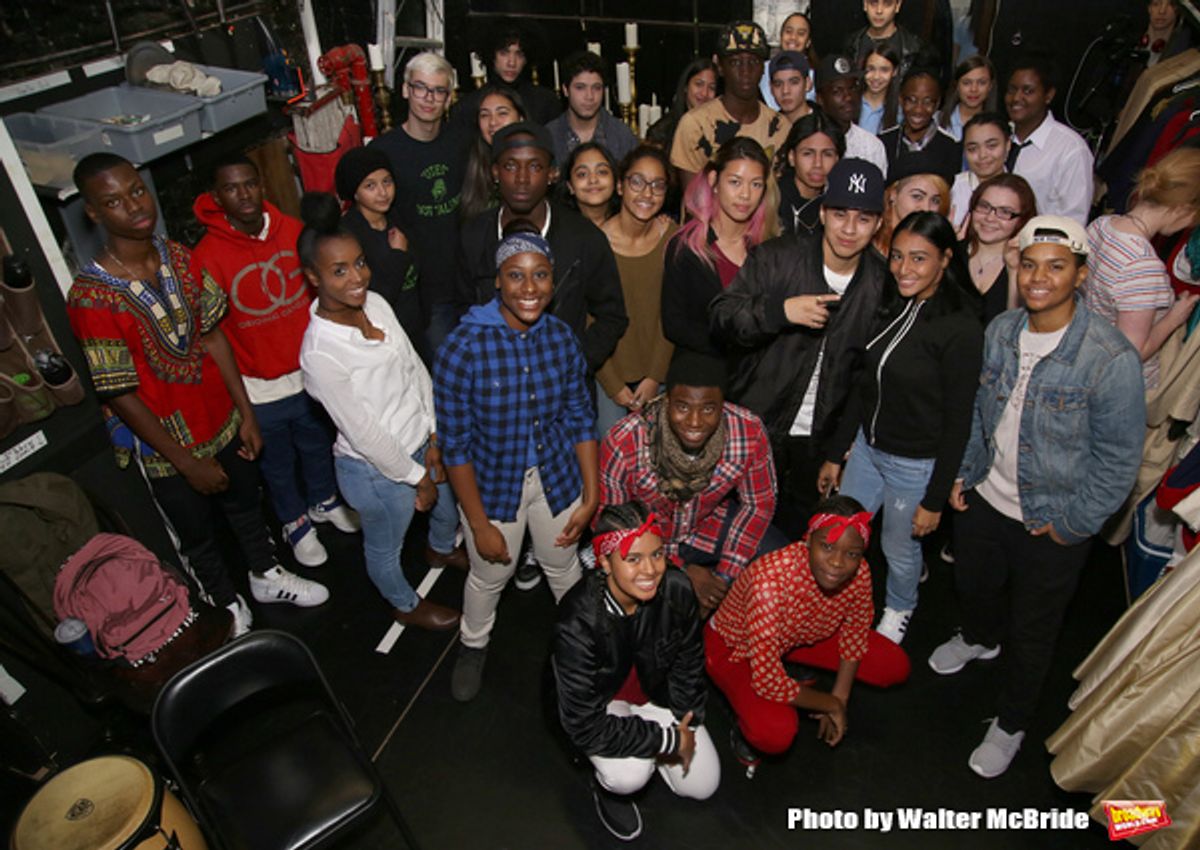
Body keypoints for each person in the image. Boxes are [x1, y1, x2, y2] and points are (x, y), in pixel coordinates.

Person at [66, 153, 328, 637]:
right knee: (198, 535)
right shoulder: (91, 297)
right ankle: (224, 605)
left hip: (223, 418)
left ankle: (266, 575)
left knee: (247, 506)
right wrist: (185, 462)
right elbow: (120, 393)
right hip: (169, 445)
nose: (134, 206)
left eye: (137, 191)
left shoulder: (179, 258)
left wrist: (245, 412)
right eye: (114, 201)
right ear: (94, 213)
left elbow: (213, 336)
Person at [929, 215, 1144, 778]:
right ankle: (978, 638)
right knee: (973, 586)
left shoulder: (1109, 357)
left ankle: (1011, 722)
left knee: (1034, 629)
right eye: (1030, 264)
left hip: (1050, 521)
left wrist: (1075, 524)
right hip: (984, 500)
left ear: (1080, 274)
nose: (1039, 277)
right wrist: (963, 473)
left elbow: (1119, 461)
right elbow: (981, 411)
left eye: (1056, 266)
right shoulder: (1001, 329)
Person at [436, 227, 599, 702]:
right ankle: (473, 644)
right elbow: (457, 446)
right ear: (497, 282)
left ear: (553, 281)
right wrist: (479, 522)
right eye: (516, 276)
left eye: (540, 275)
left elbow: (580, 418)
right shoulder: (462, 348)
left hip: (557, 479)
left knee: (563, 565)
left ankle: (583, 643)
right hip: (493, 488)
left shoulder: (563, 338)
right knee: (490, 575)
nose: (530, 289)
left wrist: (591, 497)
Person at [298, 194, 464, 631]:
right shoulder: (320, 352)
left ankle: (441, 548)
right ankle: (404, 604)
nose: (357, 277)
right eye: (339, 271)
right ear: (312, 277)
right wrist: (417, 478)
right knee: (385, 549)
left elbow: (414, 367)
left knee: (447, 511)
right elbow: (365, 433)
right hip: (375, 470)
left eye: (359, 263)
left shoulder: (374, 303)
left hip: (420, 443)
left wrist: (432, 437)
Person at [820, 212, 984, 645]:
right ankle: (838, 603)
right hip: (868, 450)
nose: (903, 269)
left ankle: (899, 608)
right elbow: (864, 385)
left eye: (918, 259)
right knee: (843, 531)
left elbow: (959, 421)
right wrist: (837, 453)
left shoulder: (961, 328)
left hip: (915, 464)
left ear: (946, 259)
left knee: (898, 548)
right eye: (896, 257)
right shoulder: (892, 305)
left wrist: (934, 500)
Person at [192, 154, 358, 570]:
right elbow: (211, 334)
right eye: (231, 188)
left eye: (249, 184)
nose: (243, 194)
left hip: (308, 374)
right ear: (216, 196)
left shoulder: (294, 231)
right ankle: (295, 522)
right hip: (259, 387)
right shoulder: (207, 255)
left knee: (319, 445)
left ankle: (323, 499)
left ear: (261, 184)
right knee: (277, 464)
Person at [710, 159, 887, 535]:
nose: (850, 229)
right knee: (739, 534)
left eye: (864, 218)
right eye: (840, 214)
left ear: (879, 224)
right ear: (822, 212)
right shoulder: (778, 257)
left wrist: (837, 452)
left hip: (818, 441)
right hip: (756, 426)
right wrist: (780, 311)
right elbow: (722, 317)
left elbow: (865, 379)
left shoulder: (880, 284)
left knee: (799, 540)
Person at [552, 502, 718, 842]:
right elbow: (584, 724)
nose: (650, 570)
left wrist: (687, 719)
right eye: (632, 559)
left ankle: (650, 750)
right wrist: (669, 740)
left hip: (654, 694)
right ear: (604, 562)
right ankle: (608, 788)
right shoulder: (576, 622)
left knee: (703, 785)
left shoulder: (677, 589)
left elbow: (689, 661)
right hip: (605, 706)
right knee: (629, 776)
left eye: (657, 555)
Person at [706, 497, 911, 769]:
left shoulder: (859, 571)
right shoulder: (769, 581)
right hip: (735, 647)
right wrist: (830, 705)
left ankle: (791, 667)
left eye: (852, 553)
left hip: (798, 637)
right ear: (808, 540)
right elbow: (768, 680)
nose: (838, 562)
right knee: (774, 732)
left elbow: (855, 631)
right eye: (827, 547)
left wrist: (841, 697)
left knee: (893, 665)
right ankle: (740, 717)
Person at [599, 352, 778, 618]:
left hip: (707, 526)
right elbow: (613, 525)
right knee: (642, 605)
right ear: (666, 401)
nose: (695, 422)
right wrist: (679, 570)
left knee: (778, 561)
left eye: (708, 409)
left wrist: (723, 578)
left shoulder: (748, 431)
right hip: (648, 538)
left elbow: (758, 505)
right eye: (682, 407)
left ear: (723, 405)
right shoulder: (625, 439)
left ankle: (733, 632)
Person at [457, 122, 628, 375]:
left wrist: (574, 364)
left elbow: (612, 316)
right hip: (495, 385)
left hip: (562, 393)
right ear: (495, 172)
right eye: (510, 166)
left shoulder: (584, 238)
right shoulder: (474, 235)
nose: (522, 178)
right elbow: (461, 308)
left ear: (552, 174)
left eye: (535, 166)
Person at [371, 52, 470, 354]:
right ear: (405, 90)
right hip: (423, 291)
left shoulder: (462, 141)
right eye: (420, 88)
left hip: (466, 280)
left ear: (449, 97)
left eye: (439, 90)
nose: (429, 98)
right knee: (443, 372)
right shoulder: (384, 151)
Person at [1083, 148, 1200, 391]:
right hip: (1120, 391)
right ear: (1182, 209)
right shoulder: (1142, 267)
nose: (1190, 225)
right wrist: (1173, 318)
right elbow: (1131, 354)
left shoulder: (1099, 226)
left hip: (1085, 361)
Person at [661, 137, 774, 360]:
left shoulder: (768, 249)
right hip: (704, 379)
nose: (745, 194)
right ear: (714, 180)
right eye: (735, 182)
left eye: (756, 184)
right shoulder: (686, 247)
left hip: (757, 382)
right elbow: (674, 324)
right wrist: (733, 346)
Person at [595, 146, 678, 437]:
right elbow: (588, 322)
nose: (647, 193)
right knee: (613, 448)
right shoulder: (595, 244)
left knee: (658, 455)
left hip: (659, 368)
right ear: (620, 185)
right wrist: (613, 383)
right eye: (637, 182)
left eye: (658, 185)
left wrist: (655, 376)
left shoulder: (672, 238)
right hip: (607, 373)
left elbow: (673, 312)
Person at [334, 147, 427, 364]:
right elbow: (376, 298)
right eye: (370, 186)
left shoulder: (398, 218)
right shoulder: (349, 236)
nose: (383, 192)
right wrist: (397, 255)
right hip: (385, 338)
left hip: (416, 327)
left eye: (387, 182)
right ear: (354, 192)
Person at [671, 21, 791, 186]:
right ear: (720, 67)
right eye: (735, 62)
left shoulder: (781, 128)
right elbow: (694, 202)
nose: (745, 71)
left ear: (763, 68)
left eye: (753, 62)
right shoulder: (695, 125)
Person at [1003, 53, 1094, 225]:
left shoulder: (1070, 149)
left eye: (1027, 91)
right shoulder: (999, 135)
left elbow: (1073, 222)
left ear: (1048, 95)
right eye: (1012, 89)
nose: (1016, 98)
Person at [451, 21, 561, 129]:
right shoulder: (468, 106)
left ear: (526, 59)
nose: (511, 63)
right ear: (492, 56)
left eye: (519, 54)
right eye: (504, 53)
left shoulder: (546, 102)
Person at [962, 174, 1038, 323]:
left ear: (1021, 220)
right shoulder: (951, 253)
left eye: (1005, 212)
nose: (990, 218)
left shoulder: (1029, 267)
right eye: (984, 206)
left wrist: (1014, 271)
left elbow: (1016, 329)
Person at [546, 51, 638, 169]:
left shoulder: (623, 136)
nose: (589, 96)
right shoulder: (549, 136)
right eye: (580, 88)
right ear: (565, 90)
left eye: (596, 88)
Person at [879, 66, 962, 184]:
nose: (918, 110)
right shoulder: (884, 142)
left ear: (937, 103)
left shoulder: (950, 147)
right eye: (911, 100)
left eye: (927, 102)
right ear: (901, 100)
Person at [460, 83, 527, 222]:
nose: (493, 122)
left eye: (502, 113)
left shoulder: (537, 163)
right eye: (484, 115)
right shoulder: (470, 165)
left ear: (521, 118)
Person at [814, 54, 889, 178]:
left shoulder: (871, 146)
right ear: (820, 99)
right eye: (837, 91)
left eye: (853, 88)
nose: (848, 97)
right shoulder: (808, 141)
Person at [775, 112, 846, 236]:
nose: (818, 164)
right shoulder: (773, 199)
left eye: (827, 154)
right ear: (792, 157)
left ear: (837, 160)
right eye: (808, 153)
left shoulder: (838, 205)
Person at [948, 112, 1011, 227]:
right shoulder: (952, 188)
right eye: (972, 149)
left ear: (1008, 145)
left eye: (991, 146)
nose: (982, 155)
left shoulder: (1020, 191)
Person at [645, 59, 718, 155]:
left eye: (711, 88)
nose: (704, 93)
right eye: (699, 84)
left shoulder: (719, 128)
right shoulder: (662, 131)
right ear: (686, 87)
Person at [844, 0, 929, 80]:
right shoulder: (851, 45)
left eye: (887, 3)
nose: (879, 11)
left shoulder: (914, 49)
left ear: (897, 6)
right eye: (873, 3)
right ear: (865, 4)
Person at [873, 171, 950, 256]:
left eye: (935, 200)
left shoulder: (939, 247)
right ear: (893, 194)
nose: (926, 208)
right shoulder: (867, 243)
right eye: (917, 196)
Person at [758, 12, 819, 110]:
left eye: (801, 33)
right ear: (781, 35)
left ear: (808, 42)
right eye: (788, 31)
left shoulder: (816, 77)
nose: (793, 37)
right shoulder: (761, 70)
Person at [559, 141, 619, 228]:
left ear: (615, 181)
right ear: (570, 186)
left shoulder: (630, 225)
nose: (593, 180)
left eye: (602, 172)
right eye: (582, 174)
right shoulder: (559, 228)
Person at [938, 55, 996, 141]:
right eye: (967, 83)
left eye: (981, 83)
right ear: (957, 85)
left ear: (990, 86)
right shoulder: (937, 122)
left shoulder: (998, 127)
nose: (974, 89)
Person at [858, 44, 901, 136]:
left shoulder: (900, 111)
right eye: (871, 69)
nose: (876, 77)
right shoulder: (851, 103)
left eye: (884, 70)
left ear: (895, 71)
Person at [768, 51, 813, 124]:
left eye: (794, 82)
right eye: (778, 84)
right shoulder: (766, 128)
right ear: (771, 88)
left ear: (807, 83)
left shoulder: (825, 128)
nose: (785, 91)